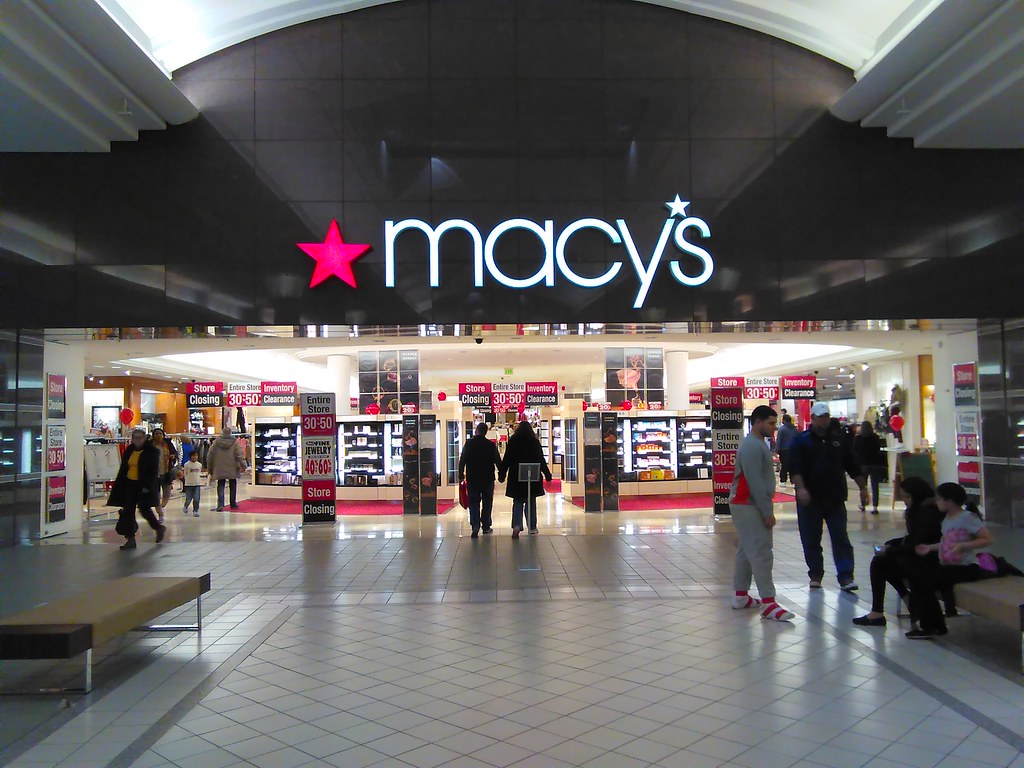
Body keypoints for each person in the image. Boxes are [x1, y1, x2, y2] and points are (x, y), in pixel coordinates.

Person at [852, 477, 952, 627]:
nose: (903, 500)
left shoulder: (926, 513)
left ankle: (885, 608)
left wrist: (891, 549)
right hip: (923, 555)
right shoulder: (922, 510)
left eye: (906, 496)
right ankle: (900, 600)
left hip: (928, 559)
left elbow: (919, 544)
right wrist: (892, 545)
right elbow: (915, 539)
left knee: (881, 562)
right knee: (883, 560)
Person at [790, 402, 867, 592]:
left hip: (834, 498)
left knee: (840, 537)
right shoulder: (802, 441)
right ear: (813, 418)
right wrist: (801, 489)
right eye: (820, 417)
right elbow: (796, 468)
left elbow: (852, 465)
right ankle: (816, 573)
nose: (823, 420)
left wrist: (863, 489)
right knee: (811, 539)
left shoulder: (839, 440)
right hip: (810, 500)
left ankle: (846, 575)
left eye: (826, 416)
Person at [729, 405, 795, 622]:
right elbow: (755, 482)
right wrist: (767, 511)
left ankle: (741, 595)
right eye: (771, 423)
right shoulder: (752, 447)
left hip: (745, 503)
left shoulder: (755, 445)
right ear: (758, 422)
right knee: (761, 552)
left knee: (746, 551)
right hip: (749, 504)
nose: (774, 428)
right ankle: (768, 602)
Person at [905, 483, 993, 639]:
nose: (936, 503)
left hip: (966, 567)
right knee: (919, 579)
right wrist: (930, 548)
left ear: (949, 501)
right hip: (949, 564)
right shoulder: (947, 519)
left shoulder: (967, 517)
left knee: (924, 581)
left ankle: (931, 626)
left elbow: (986, 539)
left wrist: (963, 546)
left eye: (939, 499)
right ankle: (936, 625)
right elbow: (948, 543)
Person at [106, 428, 166, 549]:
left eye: (140, 437)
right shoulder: (130, 450)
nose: (137, 440)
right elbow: (124, 467)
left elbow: (153, 471)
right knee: (128, 511)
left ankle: (158, 528)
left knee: (144, 510)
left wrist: (147, 486)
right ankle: (130, 538)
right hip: (130, 484)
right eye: (135, 438)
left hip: (144, 484)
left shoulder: (152, 451)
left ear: (144, 439)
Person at [499, 420, 552, 539]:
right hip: (532, 475)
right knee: (531, 501)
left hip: (516, 476)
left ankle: (516, 525)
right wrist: (547, 474)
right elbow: (541, 459)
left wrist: (502, 474)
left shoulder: (513, 441)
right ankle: (532, 527)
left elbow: (507, 459)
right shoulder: (534, 442)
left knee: (517, 501)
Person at [459, 422, 501, 538]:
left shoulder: (469, 444)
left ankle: (475, 525)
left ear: (476, 430)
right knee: (487, 502)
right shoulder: (490, 445)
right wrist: (501, 474)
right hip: (487, 478)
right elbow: (497, 460)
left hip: (473, 478)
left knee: (473, 502)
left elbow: (463, 459)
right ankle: (486, 526)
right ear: (486, 432)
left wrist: (461, 474)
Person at [207, 427, 246, 511]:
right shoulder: (234, 442)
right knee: (233, 484)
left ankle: (220, 505)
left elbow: (210, 456)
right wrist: (244, 465)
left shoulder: (216, 442)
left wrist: (210, 468)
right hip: (232, 467)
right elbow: (239, 454)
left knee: (220, 485)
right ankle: (233, 503)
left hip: (219, 467)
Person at [853, 420, 885, 514]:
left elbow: (854, 450)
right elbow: (878, 449)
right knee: (875, 486)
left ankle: (863, 505)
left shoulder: (858, 438)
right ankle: (875, 507)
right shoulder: (875, 437)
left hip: (863, 464)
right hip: (875, 464)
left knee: (863, 486)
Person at [150, 428, 178, 523]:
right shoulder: (149, 445)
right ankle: (160, 513)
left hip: (166, 472)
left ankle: (162, 506)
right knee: (155, 495)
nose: (158, 435)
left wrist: (173, 456)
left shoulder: (168, 444)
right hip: (154, 474)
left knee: (167, 493)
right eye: (156, 433)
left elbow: (175, 454)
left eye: (160, 433)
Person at [775, 414, 798, 484]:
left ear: (784, 420)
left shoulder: (782, 429)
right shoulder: (795, 429)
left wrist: (777, 450)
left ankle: (783, 480)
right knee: (792, 465)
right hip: (794, 450)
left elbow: (779, 440)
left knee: (784, 465)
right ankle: (793, 480)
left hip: (784, 450)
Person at [182, 450, 203, 517]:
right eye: (193, 455)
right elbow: (185, 474)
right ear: (190, 456)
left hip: (197, 484)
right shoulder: (186, 465)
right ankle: (186, 506)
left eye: (196, 455)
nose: (194, 457)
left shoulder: (199, 465)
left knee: (196, 498)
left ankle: (195, 510)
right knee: (188, 498)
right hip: (189, 484)